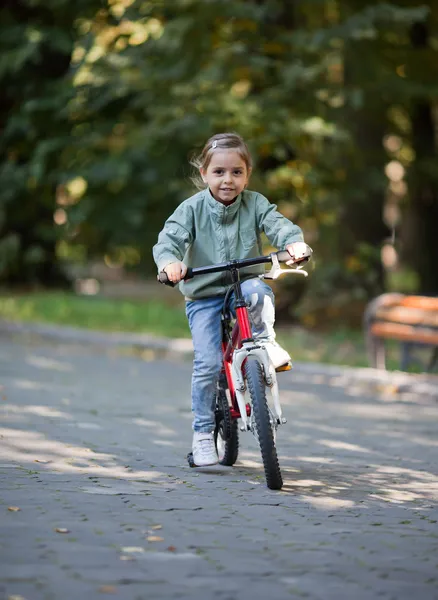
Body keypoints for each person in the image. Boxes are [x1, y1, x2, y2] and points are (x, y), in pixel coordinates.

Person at [153, 132, 308, 467]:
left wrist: (293, 242)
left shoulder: (255, 204)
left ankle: (265, 343)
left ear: (247, 174)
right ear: (205, 174)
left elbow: (277, 225)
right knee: (208, 364)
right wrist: (170, 263)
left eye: (237, 172)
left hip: (244, 283)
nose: (228, 180)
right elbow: (170, 241)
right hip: (205, 295)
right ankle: (203, 432)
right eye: (219, 172)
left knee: (258, 292)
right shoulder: (191, 209)